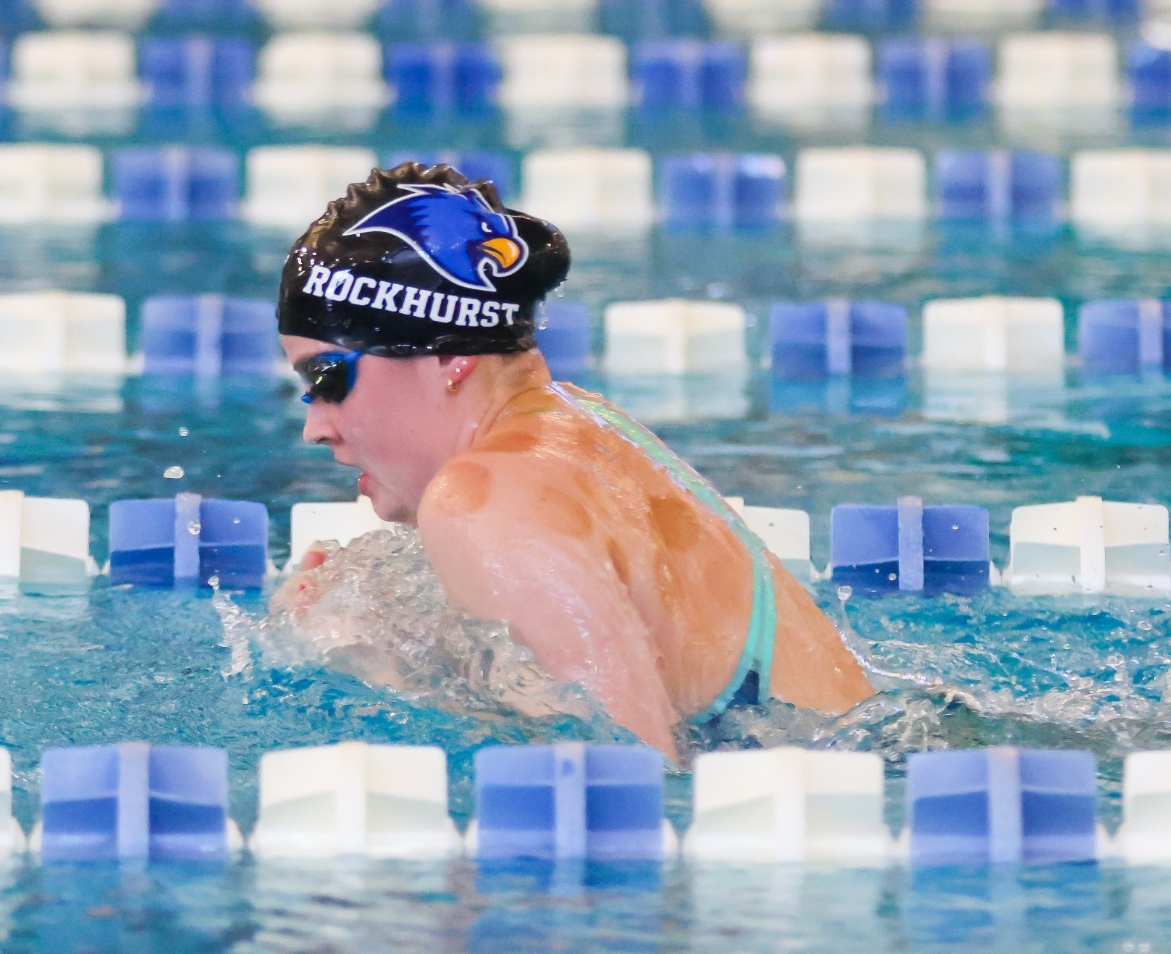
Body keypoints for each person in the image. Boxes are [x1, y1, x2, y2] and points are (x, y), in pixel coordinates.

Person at [274, 164, 873, 759]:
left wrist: (367, 666)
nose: (314, 428)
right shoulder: (577, 422)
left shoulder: (484, 500)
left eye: (327, 378)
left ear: (449, 353)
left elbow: (620, 787)